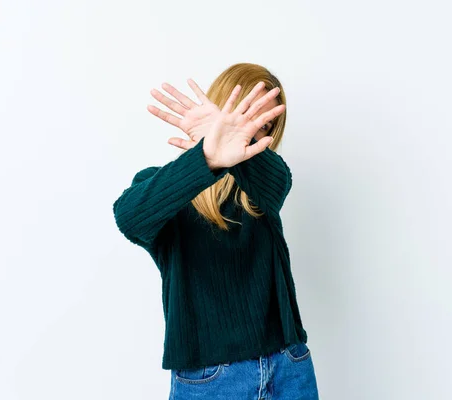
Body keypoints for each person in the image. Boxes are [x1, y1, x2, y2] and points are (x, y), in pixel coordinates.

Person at [112, 63, 319, 399]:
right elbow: (129, 217)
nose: (250, 137)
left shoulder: (263, 194)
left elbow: (278, 180)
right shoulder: (168, 190)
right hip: (212, 381)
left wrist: (234, 151)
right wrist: (206, 156)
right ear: (219, 111)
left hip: (289, 367)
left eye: (261, 128)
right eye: (243, 121)